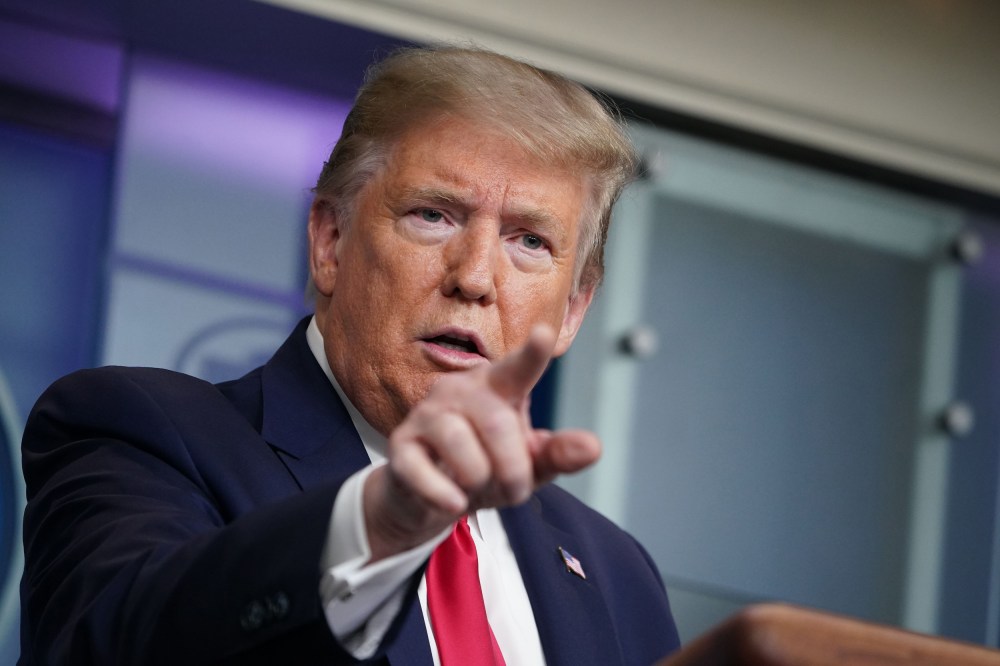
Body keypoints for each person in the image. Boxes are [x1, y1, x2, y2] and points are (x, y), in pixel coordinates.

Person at [19, 46, 680, 665]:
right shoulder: (139, 429)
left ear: (573, 311)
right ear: (330, 241)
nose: (475, 277)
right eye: (433, 215)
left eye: (530, 241)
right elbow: (107, 642)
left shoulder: (620, 575)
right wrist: (376, 526)